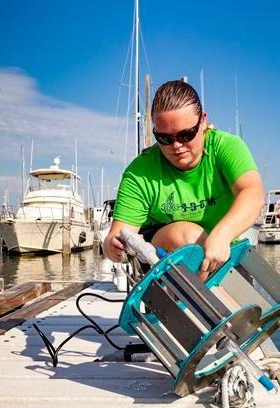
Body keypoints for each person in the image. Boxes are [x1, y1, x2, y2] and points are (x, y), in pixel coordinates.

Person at [102, 80, 264, 277]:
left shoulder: (226, 146)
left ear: (203, 121)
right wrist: (113, 247)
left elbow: (252, 193)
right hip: (162, 262)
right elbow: (117, 236)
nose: (176, 146)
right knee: (190, 239)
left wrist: (221, 235)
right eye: (165, 139)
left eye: (186, 135)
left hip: (223, 255)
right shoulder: (139, 173)